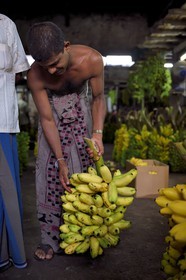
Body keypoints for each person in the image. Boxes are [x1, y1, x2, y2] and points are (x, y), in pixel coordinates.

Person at [26, 21, 107, 261]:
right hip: (52, 120)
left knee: (87, 173)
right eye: (45, 66)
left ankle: (88, 233)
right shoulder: (34, 75)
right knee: (50, 177)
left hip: (82, 114)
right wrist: (60, 159)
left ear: (66, 46)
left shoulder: (92, 59)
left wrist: (98, 133)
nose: (51, 71)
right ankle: (50, 240)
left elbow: (98, 98)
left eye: (55, 64)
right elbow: (46, 119)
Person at [0, 14, 30, 272]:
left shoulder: (6, 25)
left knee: (7, 193)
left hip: (3, 123)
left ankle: (10, 254)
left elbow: (21, 71)